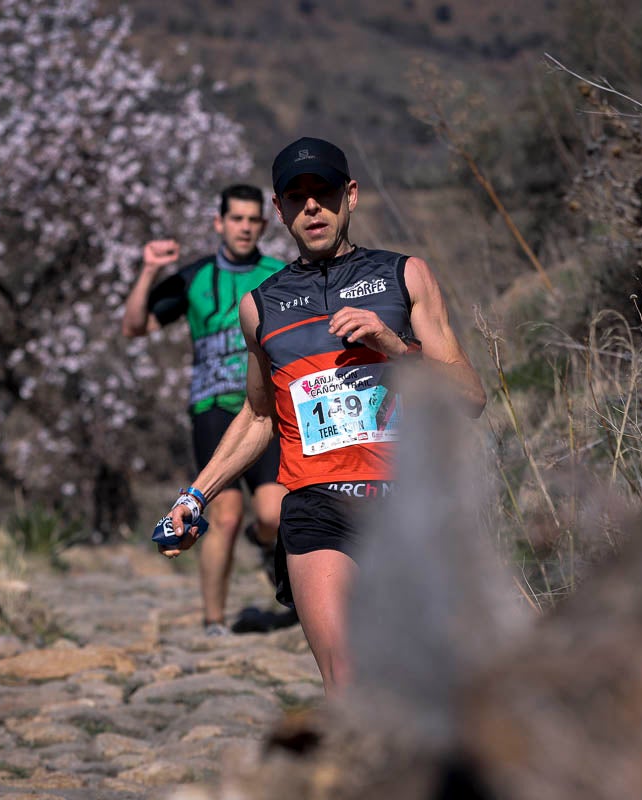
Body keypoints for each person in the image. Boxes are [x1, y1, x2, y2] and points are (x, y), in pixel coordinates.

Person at [155, 137, 487, 696]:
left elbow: (470, 395)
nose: (312, 207)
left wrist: (393, 346)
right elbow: (259, 417)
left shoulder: (405, 277)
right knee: (347, 679)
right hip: (316, 507)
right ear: (280, 210)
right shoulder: (260, 306)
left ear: (350, 196)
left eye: (324, 192)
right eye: (297, 196)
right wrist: (195, 496)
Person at [122, 184, 292, 637]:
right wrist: (149, 272)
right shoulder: (195, 277)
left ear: (263, 223)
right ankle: (214, 621)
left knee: (274, 514)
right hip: (211, 410)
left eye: (253, 219)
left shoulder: (280, 274)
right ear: (219, 223)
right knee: (225, 515)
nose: (244, 227)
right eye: (235, 218)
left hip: (267, 410)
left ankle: (266, 551)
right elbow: (135, 326)